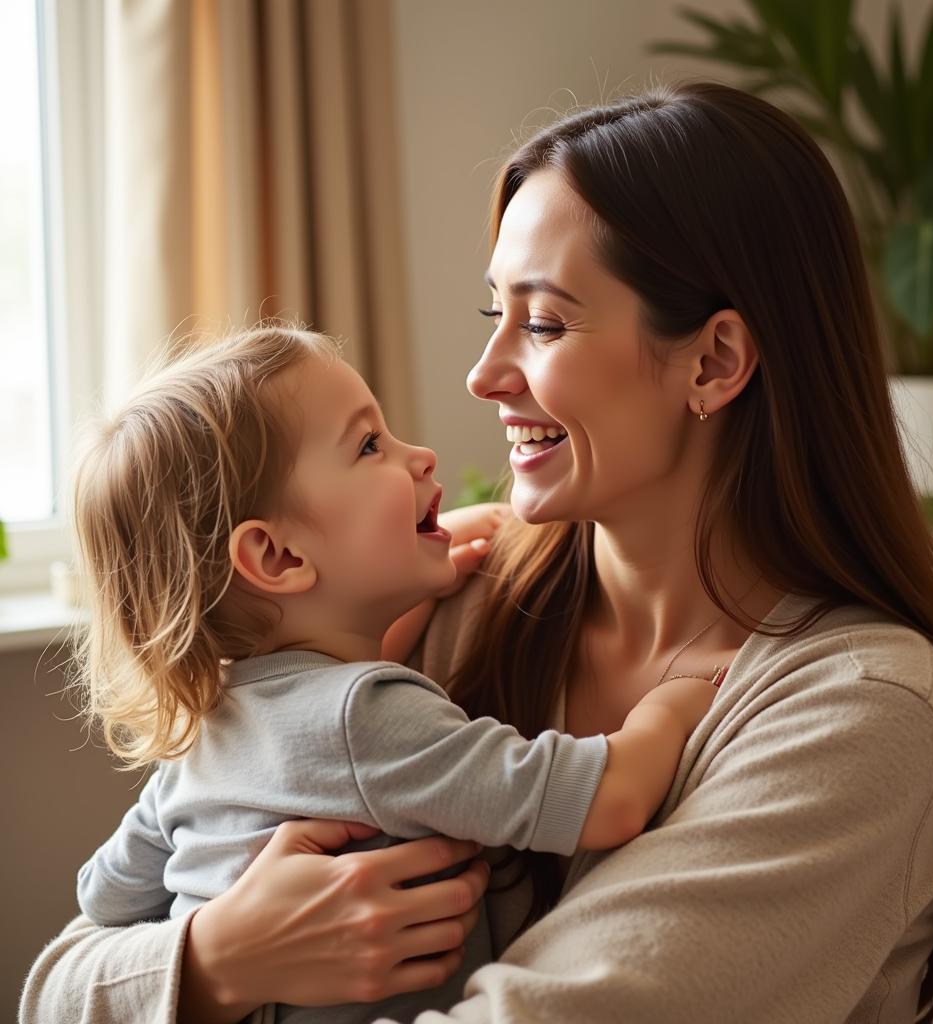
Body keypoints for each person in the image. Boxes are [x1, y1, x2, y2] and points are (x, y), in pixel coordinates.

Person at [21, 81, 933, 1024]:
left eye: (541, 322)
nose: (482, 373)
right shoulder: (438, 606)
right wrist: (214, 961)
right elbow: (57, 982)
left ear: (713, 362)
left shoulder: (861, 708)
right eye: (491, 313)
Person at [64, 326, 719, 1024]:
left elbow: (102, 899)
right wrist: (677, 704)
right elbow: (605, 799)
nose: (421, 454)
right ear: (278, 557)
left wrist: (215, 947)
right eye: (370, 444)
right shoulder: (367, 714)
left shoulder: (201, 739)